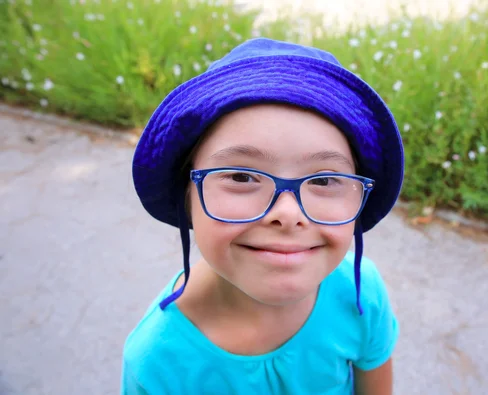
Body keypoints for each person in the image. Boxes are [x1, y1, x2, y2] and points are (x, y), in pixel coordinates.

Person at [122, 37, 405, 394]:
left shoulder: (361, 293)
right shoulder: (157, 362)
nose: (287, 214)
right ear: (187, 193)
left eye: (323, 179)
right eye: (241, 176)